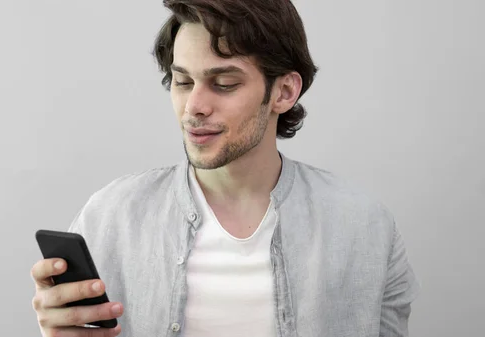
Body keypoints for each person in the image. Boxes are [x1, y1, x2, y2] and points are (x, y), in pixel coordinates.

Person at [30, 0, 421, 336]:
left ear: (284, 92)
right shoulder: (110, 218)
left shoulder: (365, 227)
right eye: (182, 82)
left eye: (224, 83)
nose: (194, 107)